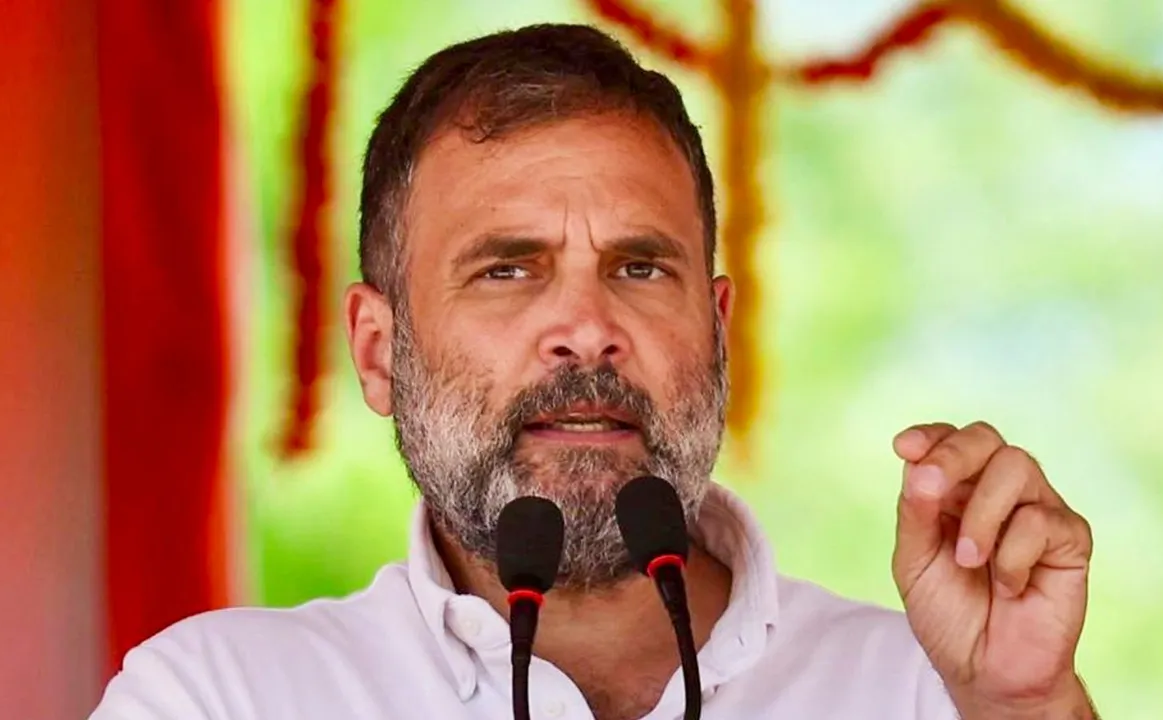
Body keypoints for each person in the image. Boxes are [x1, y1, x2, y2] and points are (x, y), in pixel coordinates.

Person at [90, 23, 1098, 720]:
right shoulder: (217, 697)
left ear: (715, 332)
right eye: (506, 269)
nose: (584, 328)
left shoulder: (930, 692)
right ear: (376, 353)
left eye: (638, 266)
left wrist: (1027, 707)